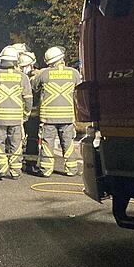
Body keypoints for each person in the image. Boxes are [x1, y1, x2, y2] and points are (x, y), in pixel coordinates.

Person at [0, 46, 33, 180]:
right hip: (16, 118)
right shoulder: (23, 77)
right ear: (16, 61)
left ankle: (2, 167)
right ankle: (16, 171)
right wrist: (26, 114)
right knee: (16, 143)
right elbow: (28, 99)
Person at [32, 46, 82, 177]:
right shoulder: (74, 73)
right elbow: (79, 91)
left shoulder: (43, 73)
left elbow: (34, 88)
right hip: (67, 116)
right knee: (68, 143)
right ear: (62, 58)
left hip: (48, 117)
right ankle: (71, 169)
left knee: (47, 143)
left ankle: (46, 170)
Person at [18, 50, 40, 175]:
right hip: (20, 114)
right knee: (17, 139)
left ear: (32, 65)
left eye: (24, 66)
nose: (23, 69)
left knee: (32, 139)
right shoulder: (20, 77)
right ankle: (18, 162)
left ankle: (30, 164)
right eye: (21, 67)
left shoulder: (37, 76)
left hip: (32, 115)